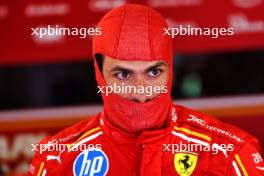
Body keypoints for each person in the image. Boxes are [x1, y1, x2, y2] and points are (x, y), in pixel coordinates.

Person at [28, 4, 264, 176]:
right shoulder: (55, 159)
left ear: (170, 70)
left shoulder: (230, 153)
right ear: (99, 75)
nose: (141, 91)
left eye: (153, 72)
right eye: (123, 74)